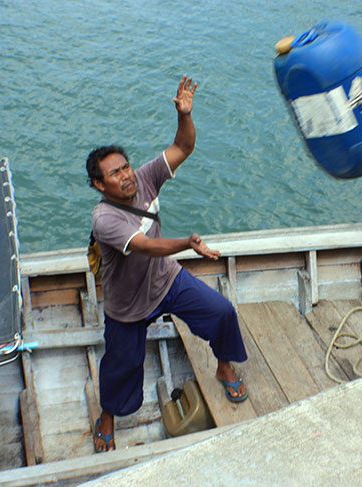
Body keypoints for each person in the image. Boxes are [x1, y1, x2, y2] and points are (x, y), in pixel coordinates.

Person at [86, 75, 248, 452]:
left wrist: (185, 115)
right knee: (120, 365)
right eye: (114, 173)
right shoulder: (104, 219)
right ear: (99, 184)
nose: (126, 176)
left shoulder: (145, 178)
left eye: (125, 167)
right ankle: (108, 415)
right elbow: (145, 246)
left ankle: (223, 365)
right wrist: (187, 243)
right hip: (127, 303)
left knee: (222, 312)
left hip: (166, 280)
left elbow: (182, 146)